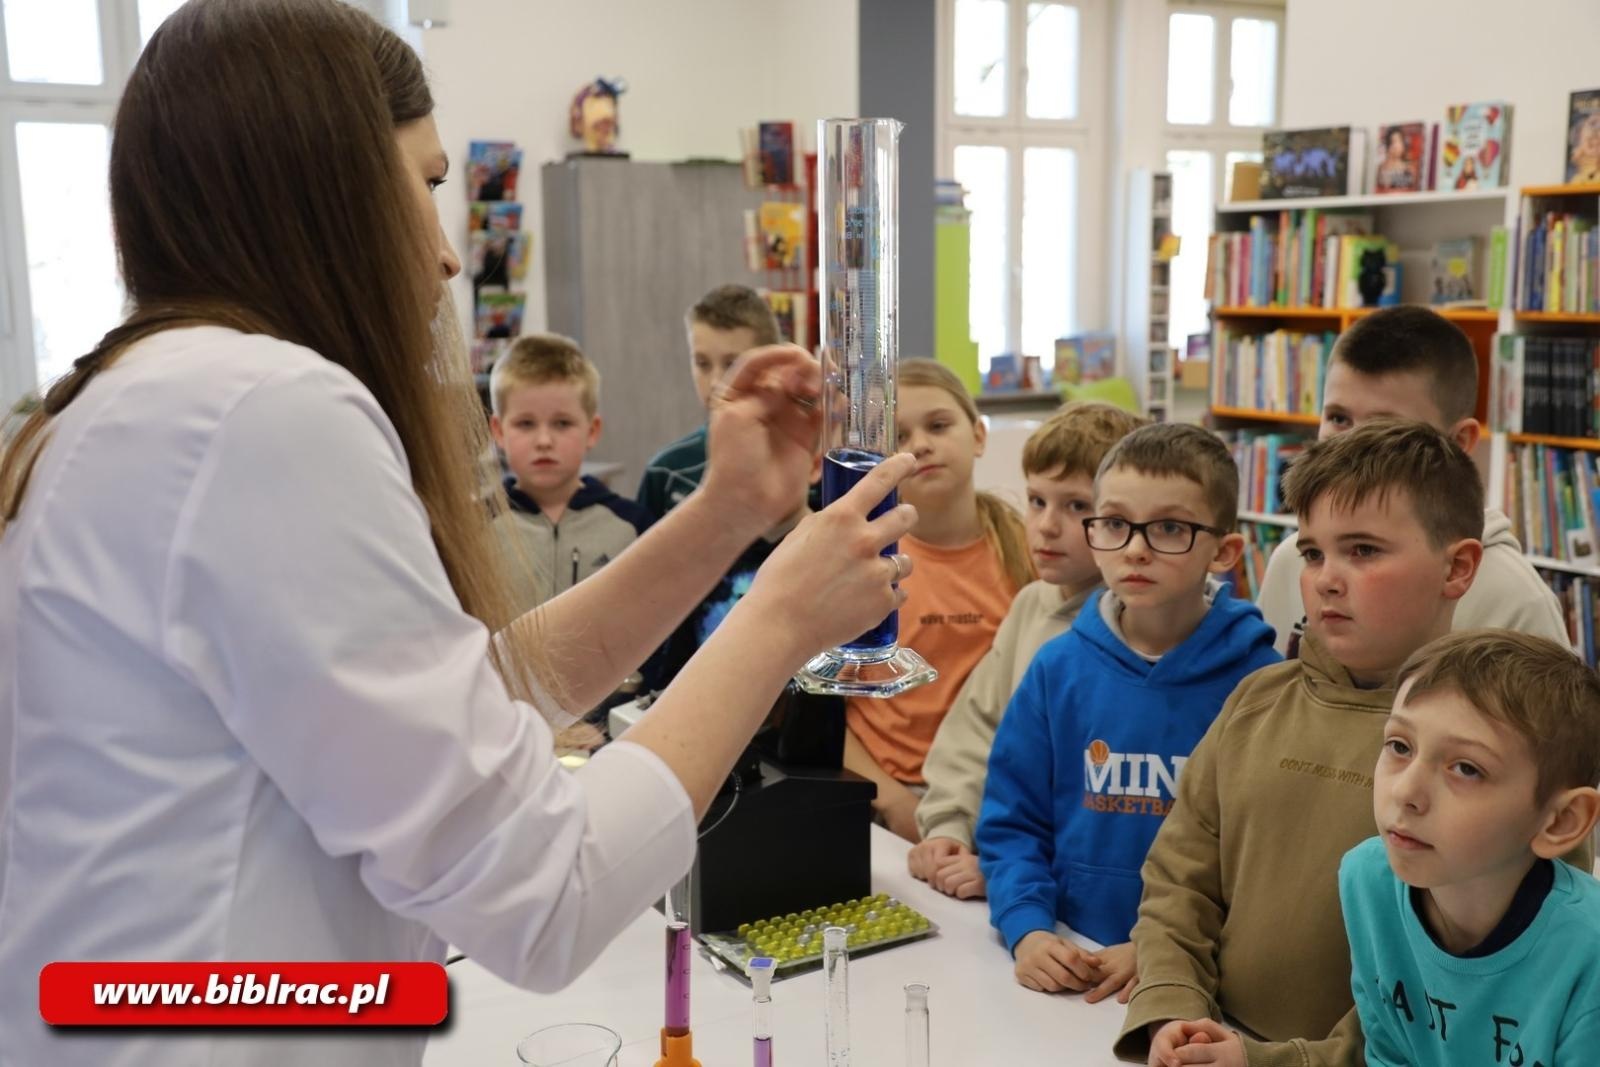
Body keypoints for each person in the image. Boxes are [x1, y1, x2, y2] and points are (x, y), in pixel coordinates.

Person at [0, 4, 918, 1065]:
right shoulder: (259, 410)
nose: (444, 255)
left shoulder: (141, 399)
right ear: (324, 180)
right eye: (428, 183)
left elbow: (454, 699)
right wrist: (783, 615)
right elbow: (541, 895)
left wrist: (725, 515)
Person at [1126, 421, 1591, 1067]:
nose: (1326, 579)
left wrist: (1268, 1059)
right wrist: (1175, 1006)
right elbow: (1178, 878)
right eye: (1313, 552)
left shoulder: (1506, 748)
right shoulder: (1255, 700)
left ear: (1457, 567)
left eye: (1365, 550)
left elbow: (1470, 987)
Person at [1155, 630, 1600, 1067]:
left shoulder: (1588, 955)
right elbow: (1387, 1054)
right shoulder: (1369, 880)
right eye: (1399, 746)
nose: (1406, 790)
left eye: (1466, 768)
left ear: (1561, 821)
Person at [976, 422, 1279, 1005]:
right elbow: (1012, 823)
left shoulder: (1260, 685)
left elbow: (1259, 865)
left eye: (1169, 528)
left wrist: (1164, 947)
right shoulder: (1057, 667)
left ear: (1224, 550)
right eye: (1115, 523)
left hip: (1199, 981)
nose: (1136, 548)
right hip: (1066, 967)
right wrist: (1028, 929)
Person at [909, 401, 1148, 899]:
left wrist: (1007, 870)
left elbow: (1103, 799)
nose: (1046, 526)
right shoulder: (1031, 605)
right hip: (1015, 877)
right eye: (1037, 501)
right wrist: (950, 826)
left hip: (1073, 894)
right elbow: (977, 728)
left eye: (1077, 506)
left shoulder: (1144, 622)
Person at [1253, 306, 1566, 656]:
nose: (1350, 444)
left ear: (1459, 442)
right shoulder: (1290, 562)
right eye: (1338, 418)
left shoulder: (1517, 600)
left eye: (1382, 426)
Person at [843, 359, 1035, 841]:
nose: (921, 444)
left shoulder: (1031, 551)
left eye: (938, 425)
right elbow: (827, 712)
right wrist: (891, 800)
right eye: (900, 437)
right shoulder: (863, 563)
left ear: (979, 435)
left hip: (1004, 791)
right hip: (891, 796)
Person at [488, 334, 651, 613]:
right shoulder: (474, 528)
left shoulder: (633, 527)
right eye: (525, 424)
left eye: (562, 424)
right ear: (499, 432)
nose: (544, 441)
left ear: (592, 430)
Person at [635, 284, 781, 523]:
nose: (715, 382)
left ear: (770, 364)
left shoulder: (806, 470)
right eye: (702, 364)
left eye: (732, 364)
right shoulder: (665, 472)